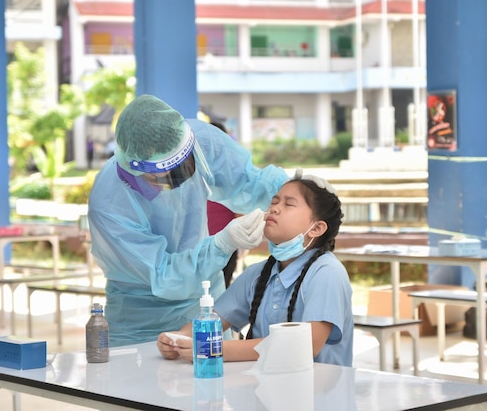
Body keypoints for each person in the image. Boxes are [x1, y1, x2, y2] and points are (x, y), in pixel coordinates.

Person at [87, 94, 290, 347]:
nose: (177, 183)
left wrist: (291, 188)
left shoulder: (199, 140)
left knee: (212, 376)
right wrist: (222, 244)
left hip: (205, 303)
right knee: (141, 384)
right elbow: (163, 275)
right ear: (135, 168)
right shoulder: (110, 203)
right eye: (163, 177)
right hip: (142, 320)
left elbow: (249, 182)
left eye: (184, 168)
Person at [157, 174, 354, 366]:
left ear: (316, 228)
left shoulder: (327, 273)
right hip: (267, 392)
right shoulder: (259, 273)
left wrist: (214, 349)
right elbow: (212, 320)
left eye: (288, 204)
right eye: (274, 202)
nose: (275, 208)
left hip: (320, 395)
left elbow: (305, 346)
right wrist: (177, 340)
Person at [207, 121, 239, 288]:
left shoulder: (232, 171)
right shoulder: (192, 169)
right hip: (209, 244)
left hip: (224, 244)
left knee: (215, 297)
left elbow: (241, 211)